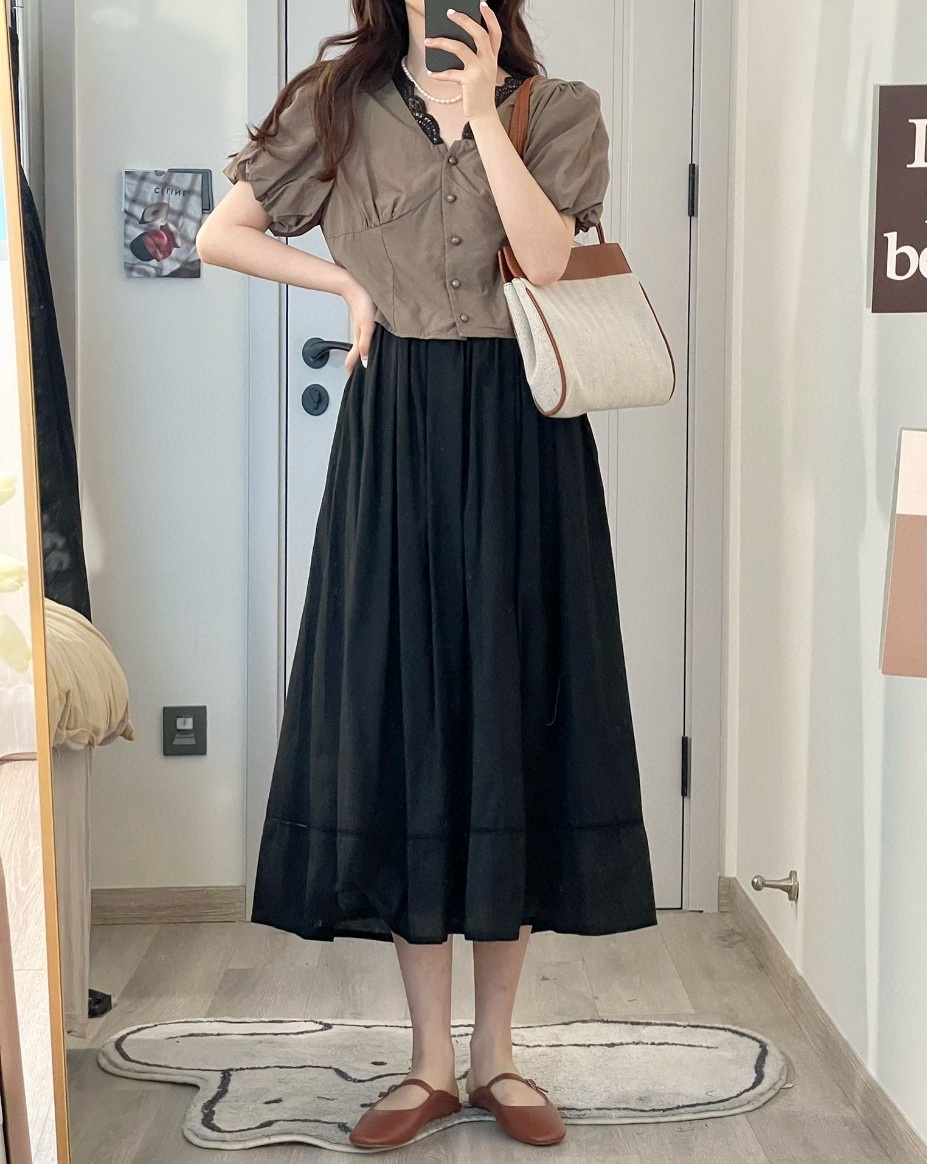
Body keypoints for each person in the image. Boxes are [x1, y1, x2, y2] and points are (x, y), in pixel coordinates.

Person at [196, 0, 657, 1149]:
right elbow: (221, 233)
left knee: (511, 723)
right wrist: (347, 289)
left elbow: (546, 261)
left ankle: (498, 1059)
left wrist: (486, 115)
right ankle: (426, 1066)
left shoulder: (559, 111)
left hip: (524, 437)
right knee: (408, 722)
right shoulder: (336, 108)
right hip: (397, 431)